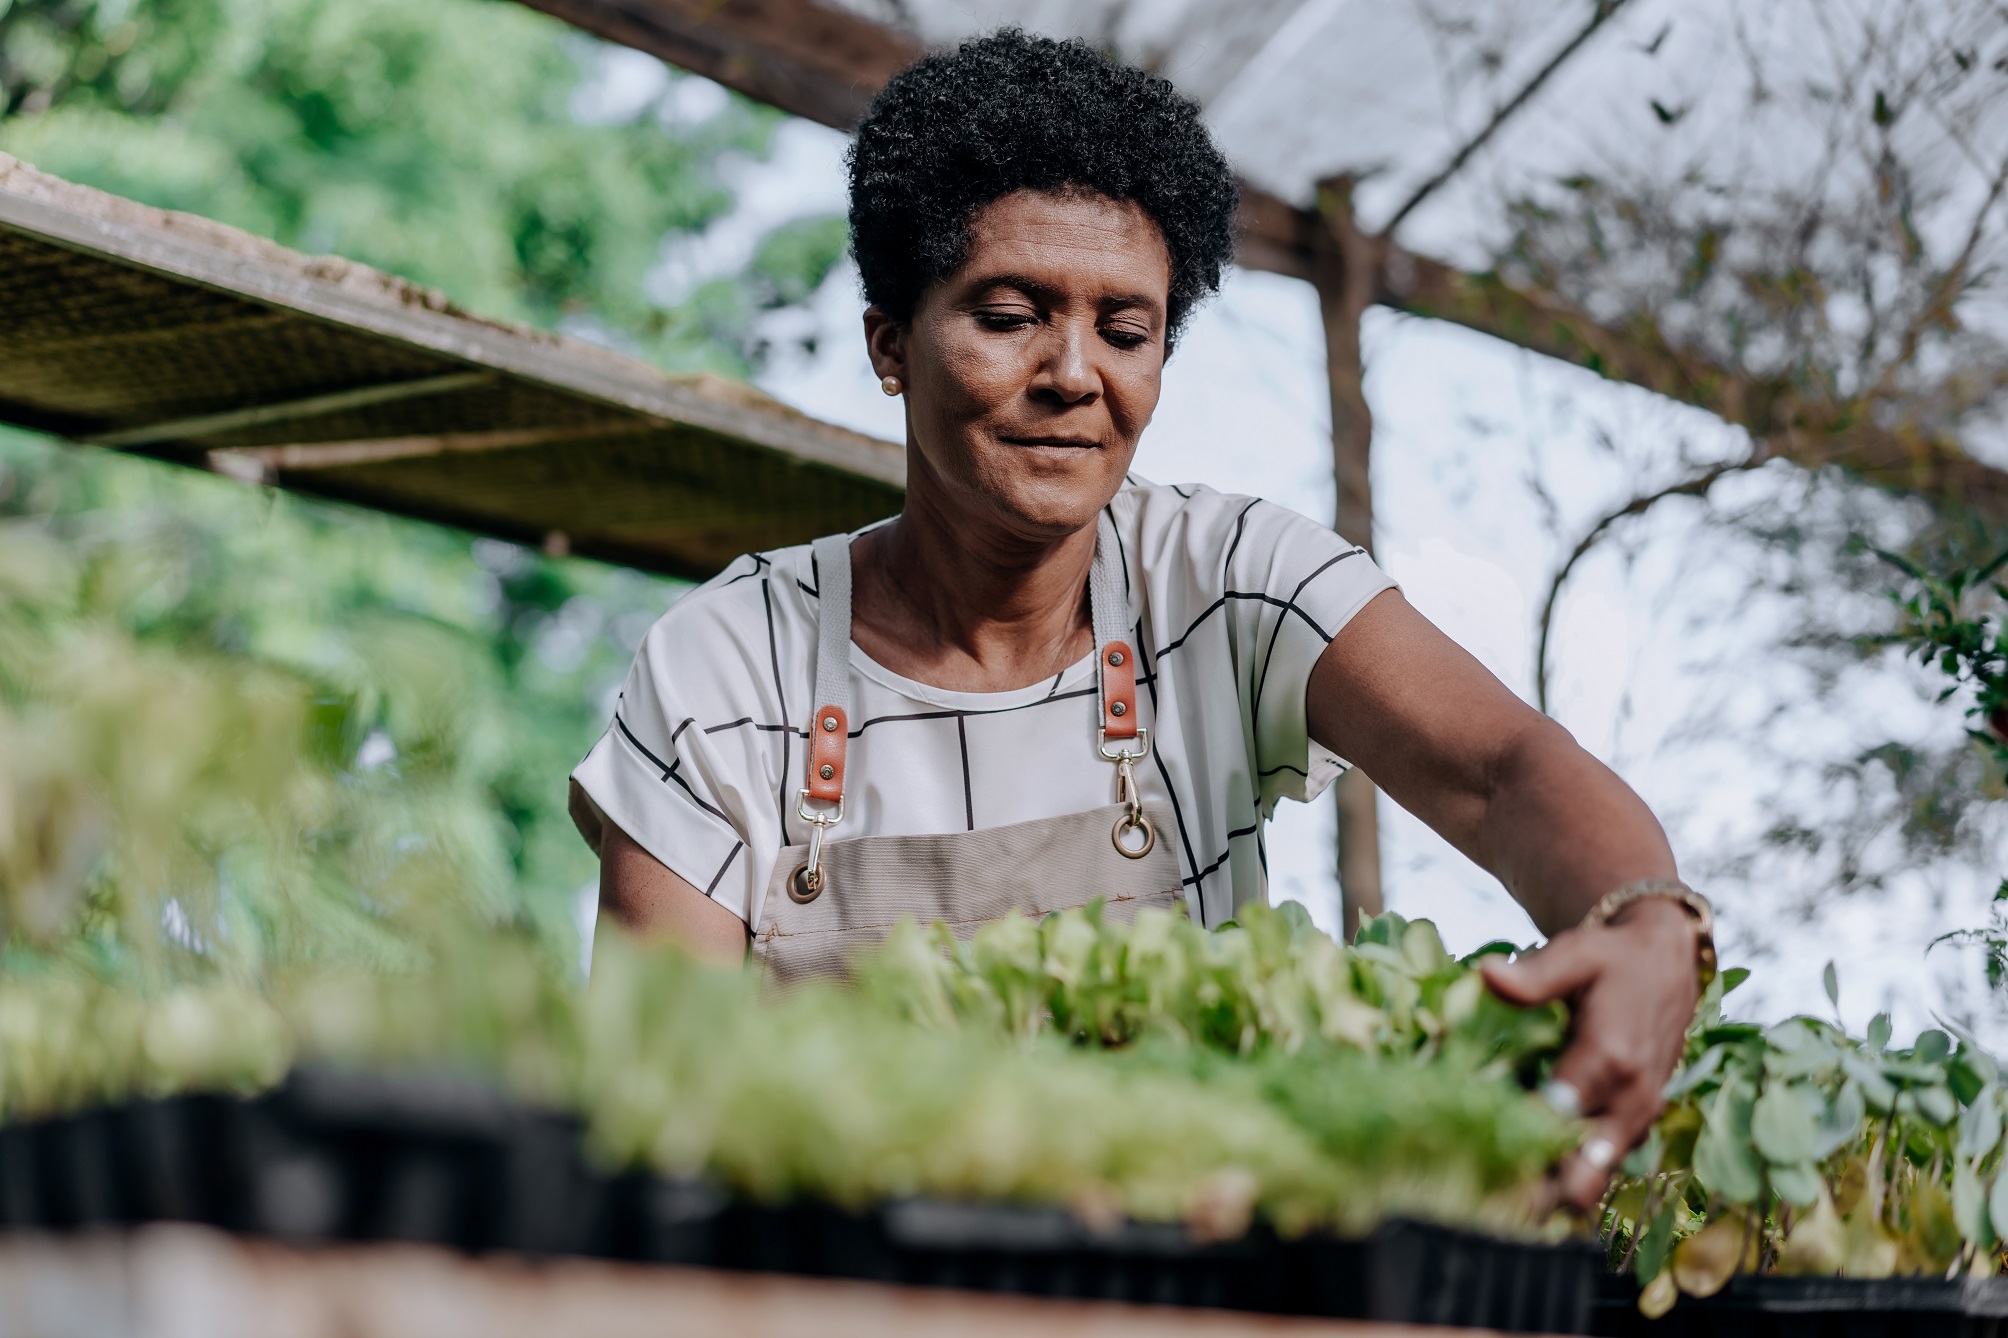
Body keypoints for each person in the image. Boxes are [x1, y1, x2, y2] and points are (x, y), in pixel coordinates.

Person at [569, 29, 1710, 1210]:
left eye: (1125, 331)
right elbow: (656, 1103)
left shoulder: (1228, 582)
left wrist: (1644, 918)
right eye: (1008, 316)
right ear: (889, 343)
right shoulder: (730, 664)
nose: (1075, 374)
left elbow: (1503, 770)